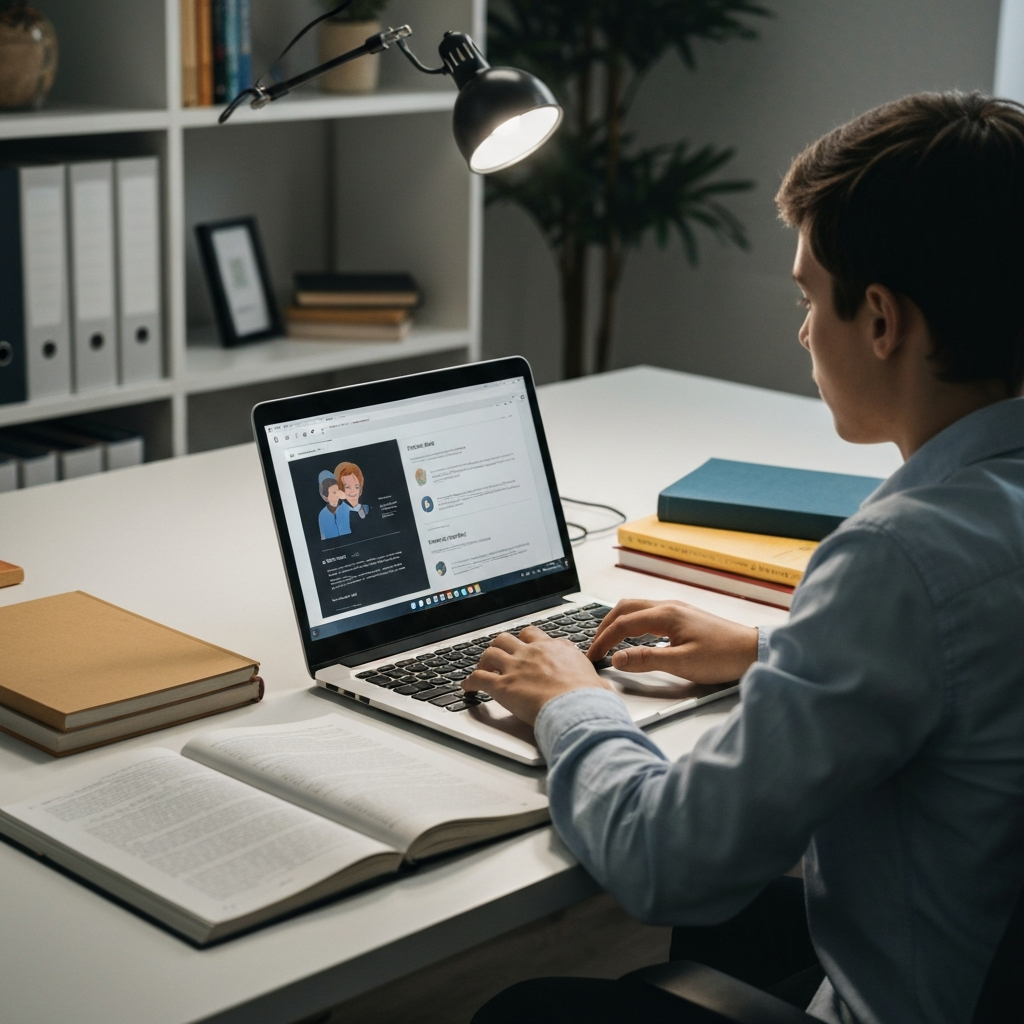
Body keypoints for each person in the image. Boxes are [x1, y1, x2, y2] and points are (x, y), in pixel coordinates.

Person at [466, 92, 1024, 1024]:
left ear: (881, 320)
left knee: (524, 1012)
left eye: (810, 295)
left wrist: (572, 706)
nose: (805, 328)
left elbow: (668, 864)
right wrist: (774, 652)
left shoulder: (898, 560)